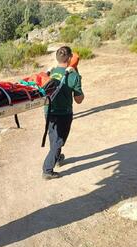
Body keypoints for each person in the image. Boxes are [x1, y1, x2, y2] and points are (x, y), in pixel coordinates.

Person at [42, 46, 84, 180]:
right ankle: (47, 170)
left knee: (53, 135)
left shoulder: (51, 72)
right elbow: (79, 100)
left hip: (48, 110)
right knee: (59, 140)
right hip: (64, 113)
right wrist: (79, 84)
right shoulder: (73, 75)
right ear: (70, 58)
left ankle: (58, 157)